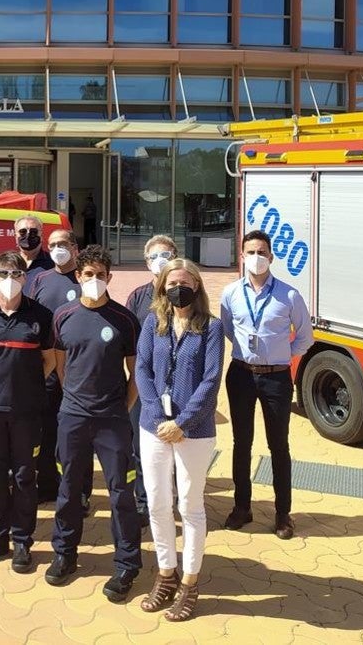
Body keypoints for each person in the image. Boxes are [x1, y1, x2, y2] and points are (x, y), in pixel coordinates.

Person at [45, 246, 142, 603]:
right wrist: (75, 399)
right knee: (69, 488)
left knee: (121, 493)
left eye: (101, 275)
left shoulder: (125, 319)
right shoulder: (63, 317)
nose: (95, 281)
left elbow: (135, 373)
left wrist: (120, 408)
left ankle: (127, 563)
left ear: (109, 278)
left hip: (112, 420)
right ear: (78, 277)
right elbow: (60, 363)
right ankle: (65, 554)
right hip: (72, 417)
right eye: (88, 275)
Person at [136, 258, 224, 622]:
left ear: (197, 287)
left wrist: (182, 423)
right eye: (172, 282)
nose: (179, 288)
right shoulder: (152, 323)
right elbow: (141, 369)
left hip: (195, 431)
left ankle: (190, 583)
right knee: (158, 504)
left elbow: (211, 379)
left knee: (190, 506)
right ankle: (166, 574)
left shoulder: (211, 328)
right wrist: (159, 417)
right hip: (153, 427)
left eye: (186, 282)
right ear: (162, 287)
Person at [0, 251, 56, 573]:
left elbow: (49, 362)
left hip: (27, 411)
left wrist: (25, 385)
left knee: (24, 475)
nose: (10, 280)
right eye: (3, 273)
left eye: (16, 274)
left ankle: (21, 541)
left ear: (25, 277)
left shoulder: (41, 316)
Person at [221, 230, 314, 540]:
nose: (256, 257)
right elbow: (228, 329)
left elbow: (304, 336)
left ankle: (283, 514)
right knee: (241, 442)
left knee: (279, 446)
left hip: (276, 377)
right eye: (251, 252)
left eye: (262, 252)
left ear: (271, 257)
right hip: (241, 375)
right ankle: (241, 507)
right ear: (242, 256)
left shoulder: (289, 295)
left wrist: (280, 355)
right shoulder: (231, 293)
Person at [26, 229, 87, 506]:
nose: (58, 249)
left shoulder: (86, 278)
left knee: (77, 436)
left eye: (63, 244)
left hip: (77, 370)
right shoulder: (39, 279)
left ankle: (81, 492)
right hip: (47, 370)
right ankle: (47, 485)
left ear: (75, 248)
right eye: (53, 245)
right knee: (46, 430)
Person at [123, 234, 179, 516]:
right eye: (154, 256)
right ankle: (144, 503)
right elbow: (128, 345)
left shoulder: (186, 294)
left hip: (180, 387)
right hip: (145, 386)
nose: (160, 261)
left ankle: (176, 500)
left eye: (166, 255)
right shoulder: (137, 297)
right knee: (142, 447)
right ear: (146, 262)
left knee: (179, 446)